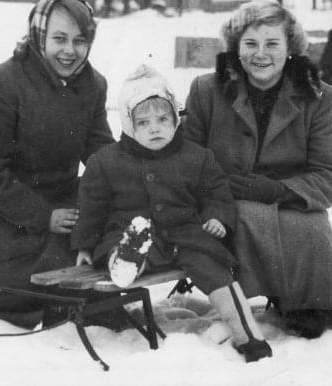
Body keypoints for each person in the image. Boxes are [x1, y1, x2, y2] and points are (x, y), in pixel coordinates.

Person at [183, 0, 332, 339]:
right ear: (235, 47)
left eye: (272, 44)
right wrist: (215, 189)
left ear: (290, 48)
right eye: (250, 44)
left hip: (287, 198)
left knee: (311, 225)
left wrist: (278, 190)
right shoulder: (206, 90)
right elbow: (185, 161)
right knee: (243, 216)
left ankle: (309, 301)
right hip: (224, 202)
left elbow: (331, 173)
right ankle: (285, 298)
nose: (261, 54)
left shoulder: (317, 96)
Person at [73, 64, 272, 363]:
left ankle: (249, 336)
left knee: (215, 271)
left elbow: (216, 192)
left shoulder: (197, 157)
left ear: (176, 119)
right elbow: (92, 206)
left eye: (163, 119)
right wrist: (85, 245)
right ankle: (125, 260)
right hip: (134, 234)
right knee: (128, 246)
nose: (155, 128)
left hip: (188, 235)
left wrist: (217, 217)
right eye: (144, 122)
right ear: (129, 124)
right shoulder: (106, 162)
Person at [0, 0, 114, 328]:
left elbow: (101, 154)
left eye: (79, 40)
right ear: (39, 36)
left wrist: (136, 170)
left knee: (108, 236)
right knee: (60, 267)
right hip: (3, 215)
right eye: (59, 38)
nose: (69, 51)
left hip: (60, 201)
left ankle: (91, 306)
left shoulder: (92, 84)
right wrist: (44, 216)